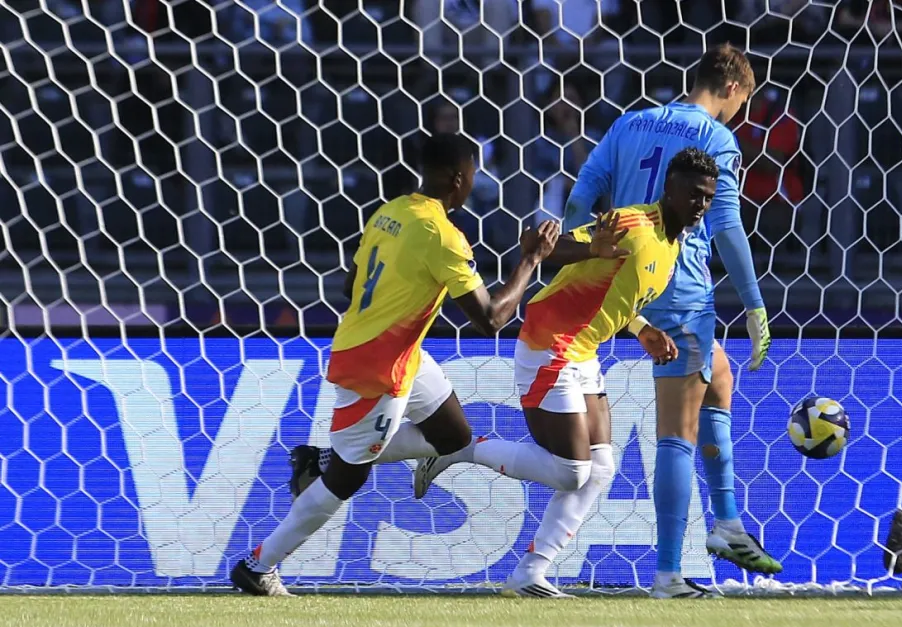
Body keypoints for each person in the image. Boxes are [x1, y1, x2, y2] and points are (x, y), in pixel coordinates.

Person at [229, 133, 568, 596]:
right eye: (473, 173)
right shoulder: (443, 236)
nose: (474, 182)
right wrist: (531, 260)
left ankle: (326, 456)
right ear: (458, 178)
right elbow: (491, 319)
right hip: (378, 367)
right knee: (347, 481)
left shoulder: (389, 212)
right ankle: (258, 564)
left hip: (397, 351)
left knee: (453, 436)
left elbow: (349, 287)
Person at [413, 148, 720, 598]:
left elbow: (617, 292)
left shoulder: (673, 245)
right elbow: (539, 242)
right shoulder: (631, 224)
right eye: (693, 193)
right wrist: (591, 246)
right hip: (550, 344)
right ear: (669, 189)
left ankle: (529, 573)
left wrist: (642, 328)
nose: (700, 204)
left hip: (584, 351)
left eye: (708, 197)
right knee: (574, 471)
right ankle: (456, 453)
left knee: (601, 467)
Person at [561, 43, 782, 598]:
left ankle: (726, 523)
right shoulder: (716, 139)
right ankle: (667, 575)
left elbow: (580, 198)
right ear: (732, 89)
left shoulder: (628, 123)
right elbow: (727, 227)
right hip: (681, 292)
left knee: (720, 377)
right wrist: (754, 304)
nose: (739, 113)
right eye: (743, 101)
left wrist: (580, 259)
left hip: (627, 282)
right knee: (677, 433)